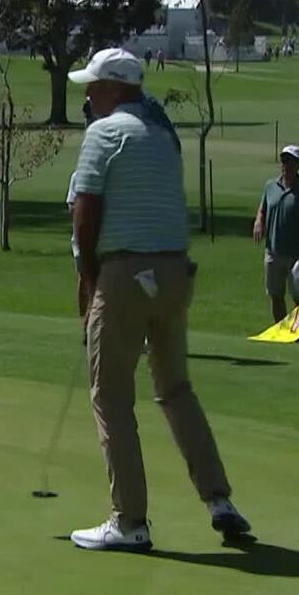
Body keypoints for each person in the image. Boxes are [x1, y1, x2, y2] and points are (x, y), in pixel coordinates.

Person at [65, 47, 248, 552]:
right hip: (173, 274)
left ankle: (129, 522)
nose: (87, 94)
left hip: (125, 273)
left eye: (94, 85)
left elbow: (85, 211)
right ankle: (219, 500)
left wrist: (88, 277)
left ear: (116, 87)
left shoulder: (104, 133)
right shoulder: (164, 134)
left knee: (110, 396)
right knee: (175, 388)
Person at [253, 145, 299, 323]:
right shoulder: (270, 186)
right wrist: (259, 221)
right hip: (273, 252)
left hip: (296, 256)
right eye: (284, 160)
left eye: (290, 161)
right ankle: (281, 330)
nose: (286, 164)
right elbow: (262, 209)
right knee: (275, 295)